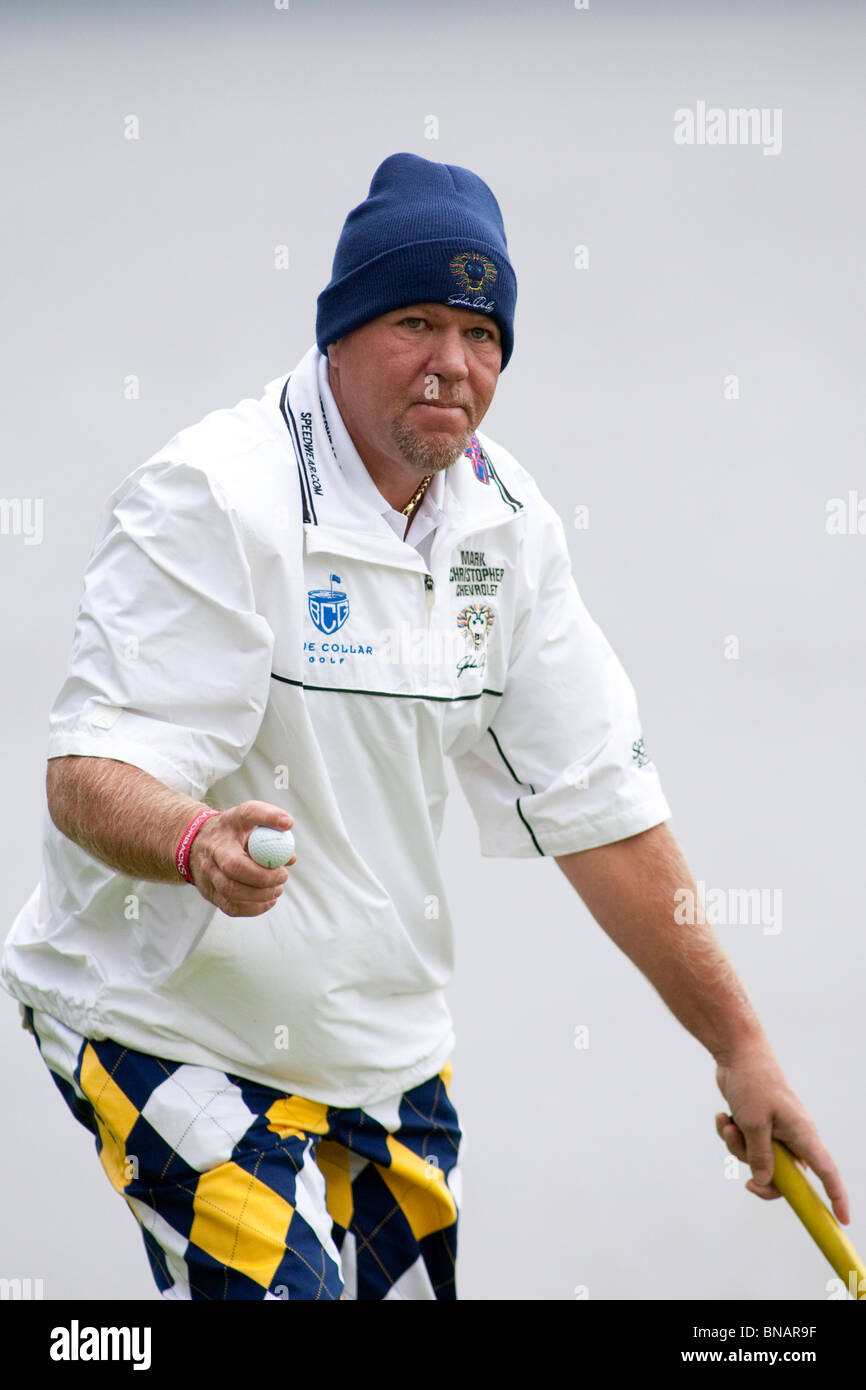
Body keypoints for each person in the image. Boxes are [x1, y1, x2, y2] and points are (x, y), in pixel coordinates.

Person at [2, 152, 849, 1302]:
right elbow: (87, 775)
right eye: (415, 321)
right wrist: (197, 840)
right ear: (338, 334)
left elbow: (600, 811)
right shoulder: (210, 496)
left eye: (482, 332)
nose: (453, 362)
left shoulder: (506, 529)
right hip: (165, 1025)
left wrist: (741, 1046)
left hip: (380, 1053)